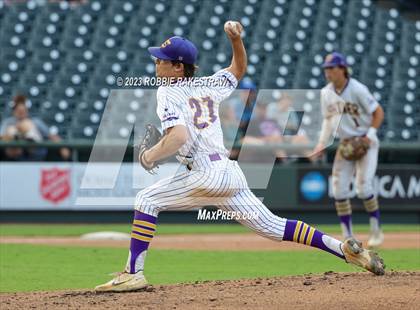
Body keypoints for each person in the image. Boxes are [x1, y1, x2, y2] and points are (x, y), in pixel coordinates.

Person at [95, 23, 384, 292]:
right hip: (228, 174)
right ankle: (342, 249)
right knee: (273, 226)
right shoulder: (210, 84)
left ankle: (133, 272)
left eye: (162, 60)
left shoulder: (168, 92)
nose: (157, 63)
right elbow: (239, 67)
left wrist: (149, 155)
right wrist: (236, 39)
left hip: (204, 174)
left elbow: (178, 137)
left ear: (177, 67)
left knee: (147, 200)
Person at [312, 52, 385, 247]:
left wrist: (370, 135)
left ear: (342, 69)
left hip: (365, 141)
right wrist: (321, 143)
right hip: (346, 143)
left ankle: (376, 231)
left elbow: (378, 112)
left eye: (332, 68)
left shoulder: (357, 89)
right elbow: (328, 121)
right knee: (338, 190)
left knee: (364, 188)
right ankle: (348, 236)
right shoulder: (325, 93)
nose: (328, 72)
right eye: (326, 69)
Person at [0, 94, 70, 161]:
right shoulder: (8, 122)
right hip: (16, 154)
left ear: (27, 110)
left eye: (23, 111)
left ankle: (30, 137)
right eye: (19, 111)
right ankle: (18, 138)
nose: (21, 113)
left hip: (35, 153)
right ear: (14, 111)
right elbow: (2, 137)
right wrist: (15, 135)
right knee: (12, 129)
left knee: (26, 124)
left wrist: (63, 147)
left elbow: (51, 136)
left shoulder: (35, 121)